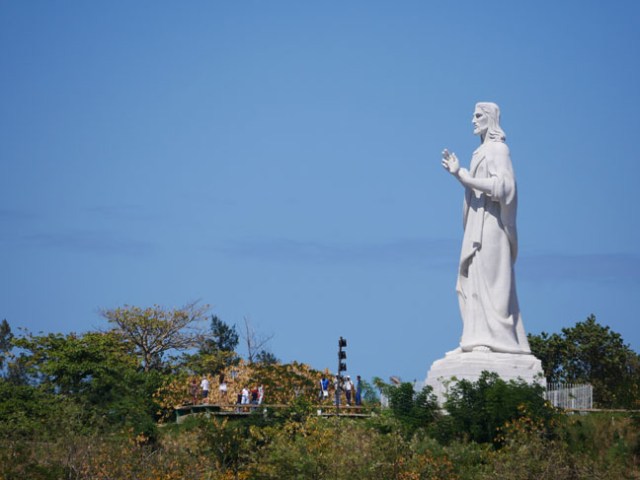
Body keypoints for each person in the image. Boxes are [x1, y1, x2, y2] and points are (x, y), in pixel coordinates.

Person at [441, 102, 531, 355]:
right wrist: (460, 175)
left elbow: (505, 187)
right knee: (473, 280)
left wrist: (465, 177)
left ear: (490, 119)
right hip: (475, 226)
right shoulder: (479, 151)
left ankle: (498, 340)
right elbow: (476, 189)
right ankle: (474, 337)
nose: (473, 119)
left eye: (478, 115)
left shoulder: (499, 149)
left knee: (493, 283)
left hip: (492, 227)